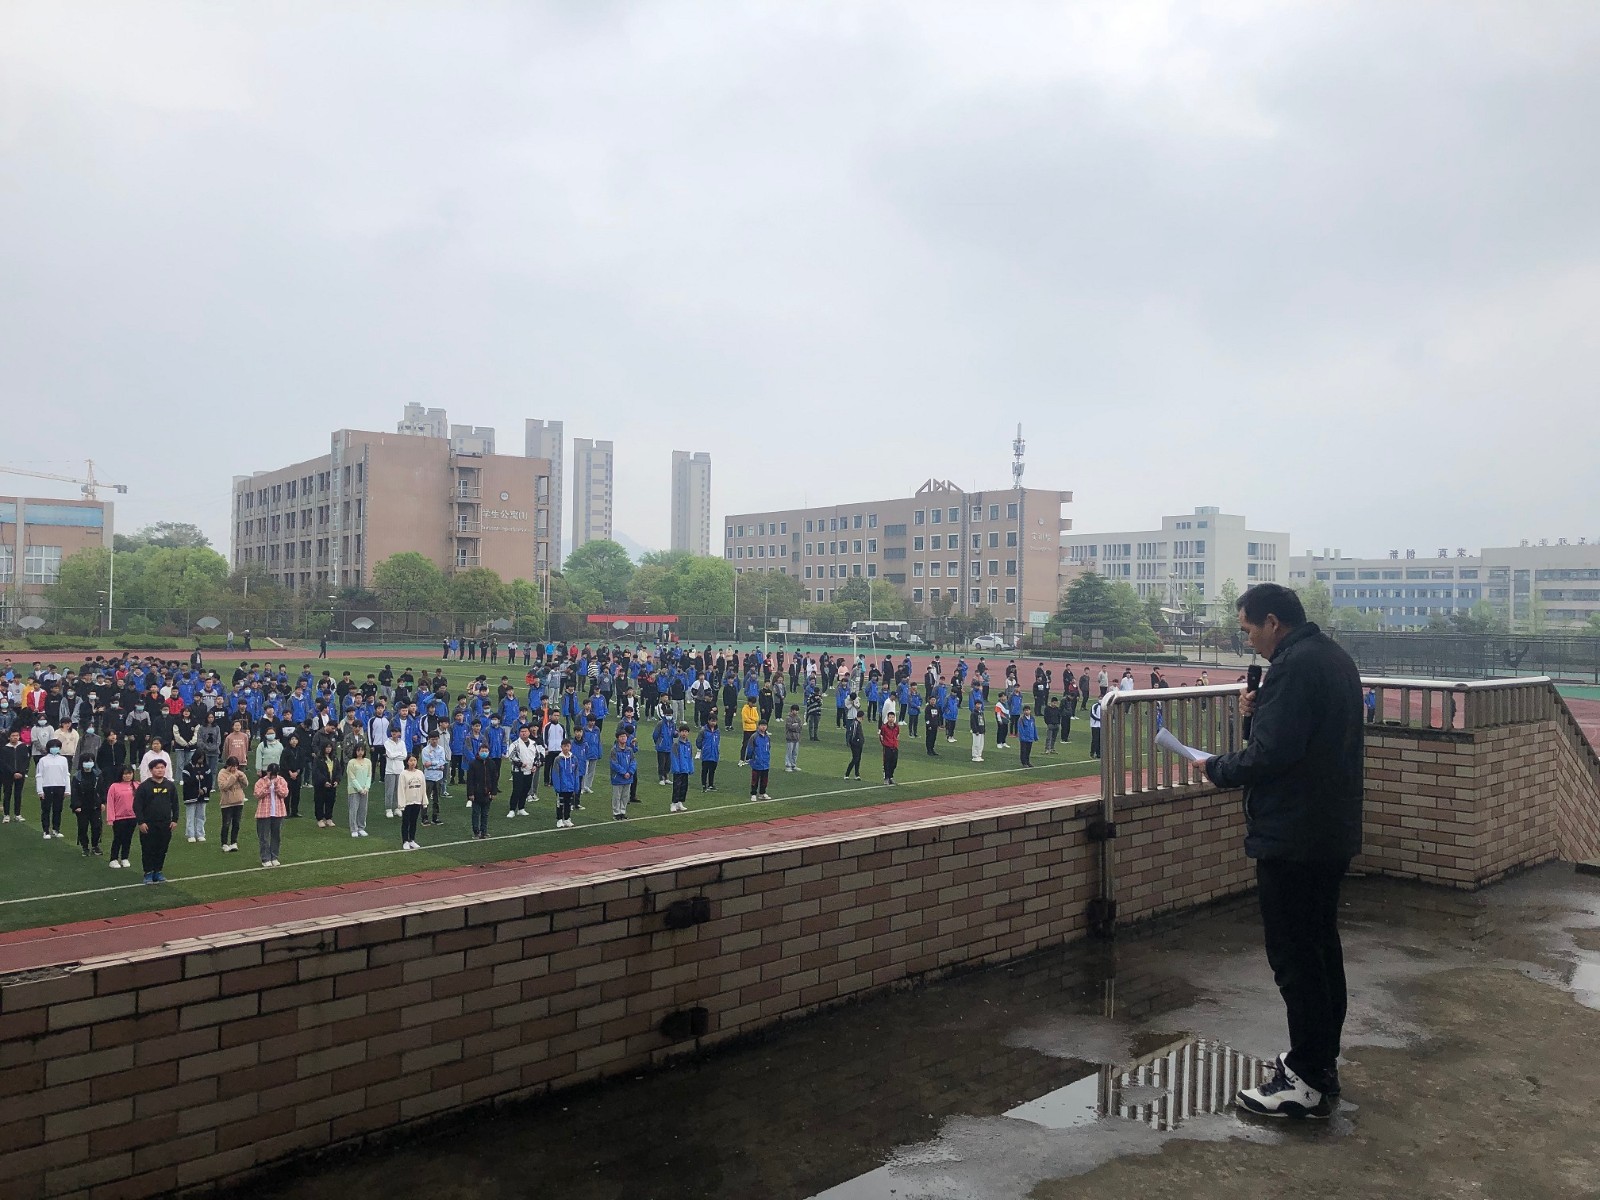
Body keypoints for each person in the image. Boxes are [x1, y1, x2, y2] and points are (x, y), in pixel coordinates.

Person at [1198, 583, 1363, 1120]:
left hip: (1296, 836)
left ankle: (1306, 1082)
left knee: (1297, 960)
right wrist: (1259, 710)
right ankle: (1318, 1065)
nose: (1247, 640)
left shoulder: (1295, 667)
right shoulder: (1332, 657)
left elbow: (1271, 755)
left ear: (1272, 622)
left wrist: (1216, 767)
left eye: (1248, 629)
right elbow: (1299, 739)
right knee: (1320, 951)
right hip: (1326, 830)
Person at [133, 756, 180, 883]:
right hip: (148, 824)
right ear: (151, 770)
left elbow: (175, 804)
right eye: (157, 768)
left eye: (162, 767)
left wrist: (175, 820)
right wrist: (141, 822)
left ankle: (158, 871)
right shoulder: (144, 786)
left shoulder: (170, 785)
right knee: (148, 849)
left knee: (162, 848)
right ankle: (148, 872)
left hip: (165, 823)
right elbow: (137, 806)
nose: (160, 770)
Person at [252, 762, 289, 868]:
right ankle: (265, 858)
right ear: (268, 772)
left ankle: (274, 857)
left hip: (278, 812)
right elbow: (257, 794)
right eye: (271, 774)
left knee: (276, 836)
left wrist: (276, 786)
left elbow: (284, 794)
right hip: (264, 813)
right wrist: (267, 786)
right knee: (264, 837)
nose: (273, 776)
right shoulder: (261, 781)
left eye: (275, 774)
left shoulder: (281, 780)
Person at [35, 737, 70, 838]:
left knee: (57, 809)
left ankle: (56, 829)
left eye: (57, 747)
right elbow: (39, 775)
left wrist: (67, 789)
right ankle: (46, 830)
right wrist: (40, 791)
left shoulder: (63, 760)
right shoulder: (43, 760)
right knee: (46, 809)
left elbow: (66, 774)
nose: (55, 748)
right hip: (47, 787)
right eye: (53, 747)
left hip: (60, 787)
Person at [105, 764, 138, 868]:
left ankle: (124, 857)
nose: (127, 776)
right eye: (125, 774)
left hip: (133, 817)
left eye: (129, 773)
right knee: (118, 838)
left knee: (128, 839)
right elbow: (110, 803)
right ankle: (113, 859)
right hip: (119, 818)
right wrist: (110, 818)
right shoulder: (114, 786)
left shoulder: (137, 785)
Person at [506, 725, 542, 817]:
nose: (524, 733)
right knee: (517, 790)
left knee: (525, 789)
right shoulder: (515, 744)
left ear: (529, 732)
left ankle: (521, 808)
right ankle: (512, 809)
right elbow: (511, 756)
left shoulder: (533, 744)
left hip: (529, 771)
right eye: (522, 732)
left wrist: (535, 765)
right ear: (519, 733)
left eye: (525, 731)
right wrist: (520, 764)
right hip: (518, 771)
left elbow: (537, 756)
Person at [71, 756, 103, 856]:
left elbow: (102, 789)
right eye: (86, 761)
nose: (88, 763)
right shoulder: (77, 777)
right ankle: (85, 847)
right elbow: (74, 792)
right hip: (82, 807)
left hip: (95, 806)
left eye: (90, 761)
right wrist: (76, 805)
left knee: (97, 827)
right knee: (83, 827)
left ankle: (95, 845)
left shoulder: (98, 775)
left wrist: (102, 802)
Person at [216, 755, 248, 852]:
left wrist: (242, 778)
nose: (234, 768)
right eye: (233, 766)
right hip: (227, 803)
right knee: (226, 824)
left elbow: (245, 784)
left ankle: (234, 842)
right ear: (228, 765)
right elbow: (223, 786)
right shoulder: (222, 773)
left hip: (239, 802)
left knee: (236, 823)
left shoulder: (239, 773)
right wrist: (233, 778)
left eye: (236, 766)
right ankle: (224, 843)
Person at [398, 754, 427, 849]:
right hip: (407, 802)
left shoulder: (420, 773)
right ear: (407, 762)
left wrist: (424, 801)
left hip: (417, 801)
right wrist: (401, 803)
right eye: (411, 760)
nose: (413, 762)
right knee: (406, 821)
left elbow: (423, 788)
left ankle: (412, 840)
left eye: (414, 760)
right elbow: (401, 789)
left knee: (414, 821)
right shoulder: (403, 774)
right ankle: (405, 841)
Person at [466, 744, 495, 840]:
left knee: (485, 814)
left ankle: (484, 831)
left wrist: (493, 792)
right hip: (476, 793)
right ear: (478, 752)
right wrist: (470, 794)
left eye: (486, 751)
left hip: (487, 793)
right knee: (476, 813)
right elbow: (470, 780)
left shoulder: (491, 763)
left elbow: (494, 779)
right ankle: (476, 832)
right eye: (482, 751)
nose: (484, 753)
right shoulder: (473, 764)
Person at [311, 739, 341, 829]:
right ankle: (320, 819)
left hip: (332, 784)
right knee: (319, 801)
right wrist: (324, 781)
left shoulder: (334, 758)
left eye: (330, 747)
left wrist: (337, 780)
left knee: (330, 801)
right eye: (327, 747)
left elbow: (338, 770)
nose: (328, 749)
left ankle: (328, 818)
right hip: (321, 785)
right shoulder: (318, 759)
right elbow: (316, 772)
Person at [182, 751, 211, 842]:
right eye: (199, 758)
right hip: (190, 795)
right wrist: (196, 778)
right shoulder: (188, 767)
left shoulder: (206, 768)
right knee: (190, 816)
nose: (201, 760)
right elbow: (186, 781)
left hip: (203, 796)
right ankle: (190, 834)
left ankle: (200, 834)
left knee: (201, 815)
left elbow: (209, 781)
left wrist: (204, 790)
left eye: (202, 758)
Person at [344, 743, 372, 837]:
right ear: (355, 751)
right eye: (358, 750)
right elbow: (352, 777)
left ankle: (361, 827)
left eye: (362, 750)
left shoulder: (368, 762)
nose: (360, 752)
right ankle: (354, 829)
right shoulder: (352, 762)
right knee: (353, 809)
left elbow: (369, 775)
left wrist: (366, 787)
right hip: (354, 789)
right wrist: (359, 789)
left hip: (365, 789)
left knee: (363, 809)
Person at [551, 739, 580, 828]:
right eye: (564, 746)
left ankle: (567, 818)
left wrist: (576, 785)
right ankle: (559, 819)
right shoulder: (558, 759)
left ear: (570, 747)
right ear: (561, 747)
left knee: (568, 803)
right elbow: (555, 774)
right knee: (560, 803)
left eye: (568, 746)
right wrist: (557, 786)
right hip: (561, 786)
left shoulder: (574, 759)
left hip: (570, 786)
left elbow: (576, 773)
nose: (566, 748)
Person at [609, 732, 636, 821]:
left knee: (625, 796)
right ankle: (616, 813)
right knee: (617, 796)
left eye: (624, 736)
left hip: (628, 777)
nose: (623, 738)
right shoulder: (614, 750)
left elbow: (633, 762)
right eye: (621, 737)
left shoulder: (629, 750)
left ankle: (622, 812)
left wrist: (630, 772)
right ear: (618, 738)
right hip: (618, 777)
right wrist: (624, 772)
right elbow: (614, 764)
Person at [382, 727, 408, 818]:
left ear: (399, 733)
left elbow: (404, 756)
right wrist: (398, 753)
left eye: (396, 732)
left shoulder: (402, 743)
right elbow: (390, 755)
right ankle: (388, 809)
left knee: (399, 790)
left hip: (400, 770)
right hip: (390, 770)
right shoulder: (387, 743)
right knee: (389, 791)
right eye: (393, 731)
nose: (394, 733)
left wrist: (395, 755)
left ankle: (397, 808)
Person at [669, 725, 694, 812]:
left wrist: (691, 768)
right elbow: (674, 756)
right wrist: (676, 768)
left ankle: (680, 802)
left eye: (686, 732)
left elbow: (690, 757)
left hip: (685, 769)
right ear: (679, 732)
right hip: (678, 769)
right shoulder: (676, 744)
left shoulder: (689, 744)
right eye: (682, 731)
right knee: (677, 787)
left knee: (684, 787)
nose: (684, 733)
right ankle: (673, 803)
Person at [747, 719, 772, 801]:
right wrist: (750, 758)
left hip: (765, 761)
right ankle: (753, 794)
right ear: (758, 726)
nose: (764, 727)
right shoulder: (754, 737)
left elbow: (769, 748)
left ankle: (762, 793)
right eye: (762, 725)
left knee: (764, 779)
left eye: (765, 725)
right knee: (755, 779)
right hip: (756, 761)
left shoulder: (767, 737)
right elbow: (750, 748)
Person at [696, 714, 720, 792]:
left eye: (715, 721)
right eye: (712, 721)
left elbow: (718, 741)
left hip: (714, 754)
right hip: (706, 754)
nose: (713, 723)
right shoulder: (703, 730)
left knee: (712, 770)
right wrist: (703, 748)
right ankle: (704, 785)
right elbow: (698, 741)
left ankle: (711, 785)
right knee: (705, 770)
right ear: (708, 721)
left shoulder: (717, 731)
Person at [879, 712, 900, 784]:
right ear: (888, 718)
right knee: (887, 763)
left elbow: (897, 735)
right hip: (887, 747)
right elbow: (881, 737)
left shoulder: (896, 727)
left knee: (894, 763)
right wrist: (885, 744)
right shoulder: (884, 727)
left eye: (892, 717)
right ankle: (887, 778)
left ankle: (891, 776)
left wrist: (895, 743)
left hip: (895, 747)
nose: (891, 719)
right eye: (890, 717)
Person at [843, 714, 864, 779]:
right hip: (855, 744)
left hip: (859, 744)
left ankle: (857, 774)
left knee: (858, 759)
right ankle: (847, 774)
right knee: (855, 759)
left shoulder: (858, 723)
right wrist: (852, 742)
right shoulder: (855, 723)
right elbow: (853, 734)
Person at [783, 704, 802, 772]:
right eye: (794, 710)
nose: (796, 712)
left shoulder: (798, 718)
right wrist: (796, 726)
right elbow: (789, 727)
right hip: (790, 737)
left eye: (797, 710)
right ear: (791, 710)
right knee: (789, 752)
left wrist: (795, 726)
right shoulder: (788, 718)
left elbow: (800, 727)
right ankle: (788, 766)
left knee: (795, 752)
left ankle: (793, 765)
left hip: (796, 738)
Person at [969, 697, 986, 763]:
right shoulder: (973, 713)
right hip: (977, 731)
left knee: (981, 744)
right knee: (976, 744)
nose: (979, 706)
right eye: (978, 704)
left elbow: (983, 722)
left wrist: (984, 730)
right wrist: (975, 730)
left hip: (981, 730)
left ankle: (979, 755)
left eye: (980, 704)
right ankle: (975, 756)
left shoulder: (981, 713)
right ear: (975, 705)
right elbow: (973, 723)